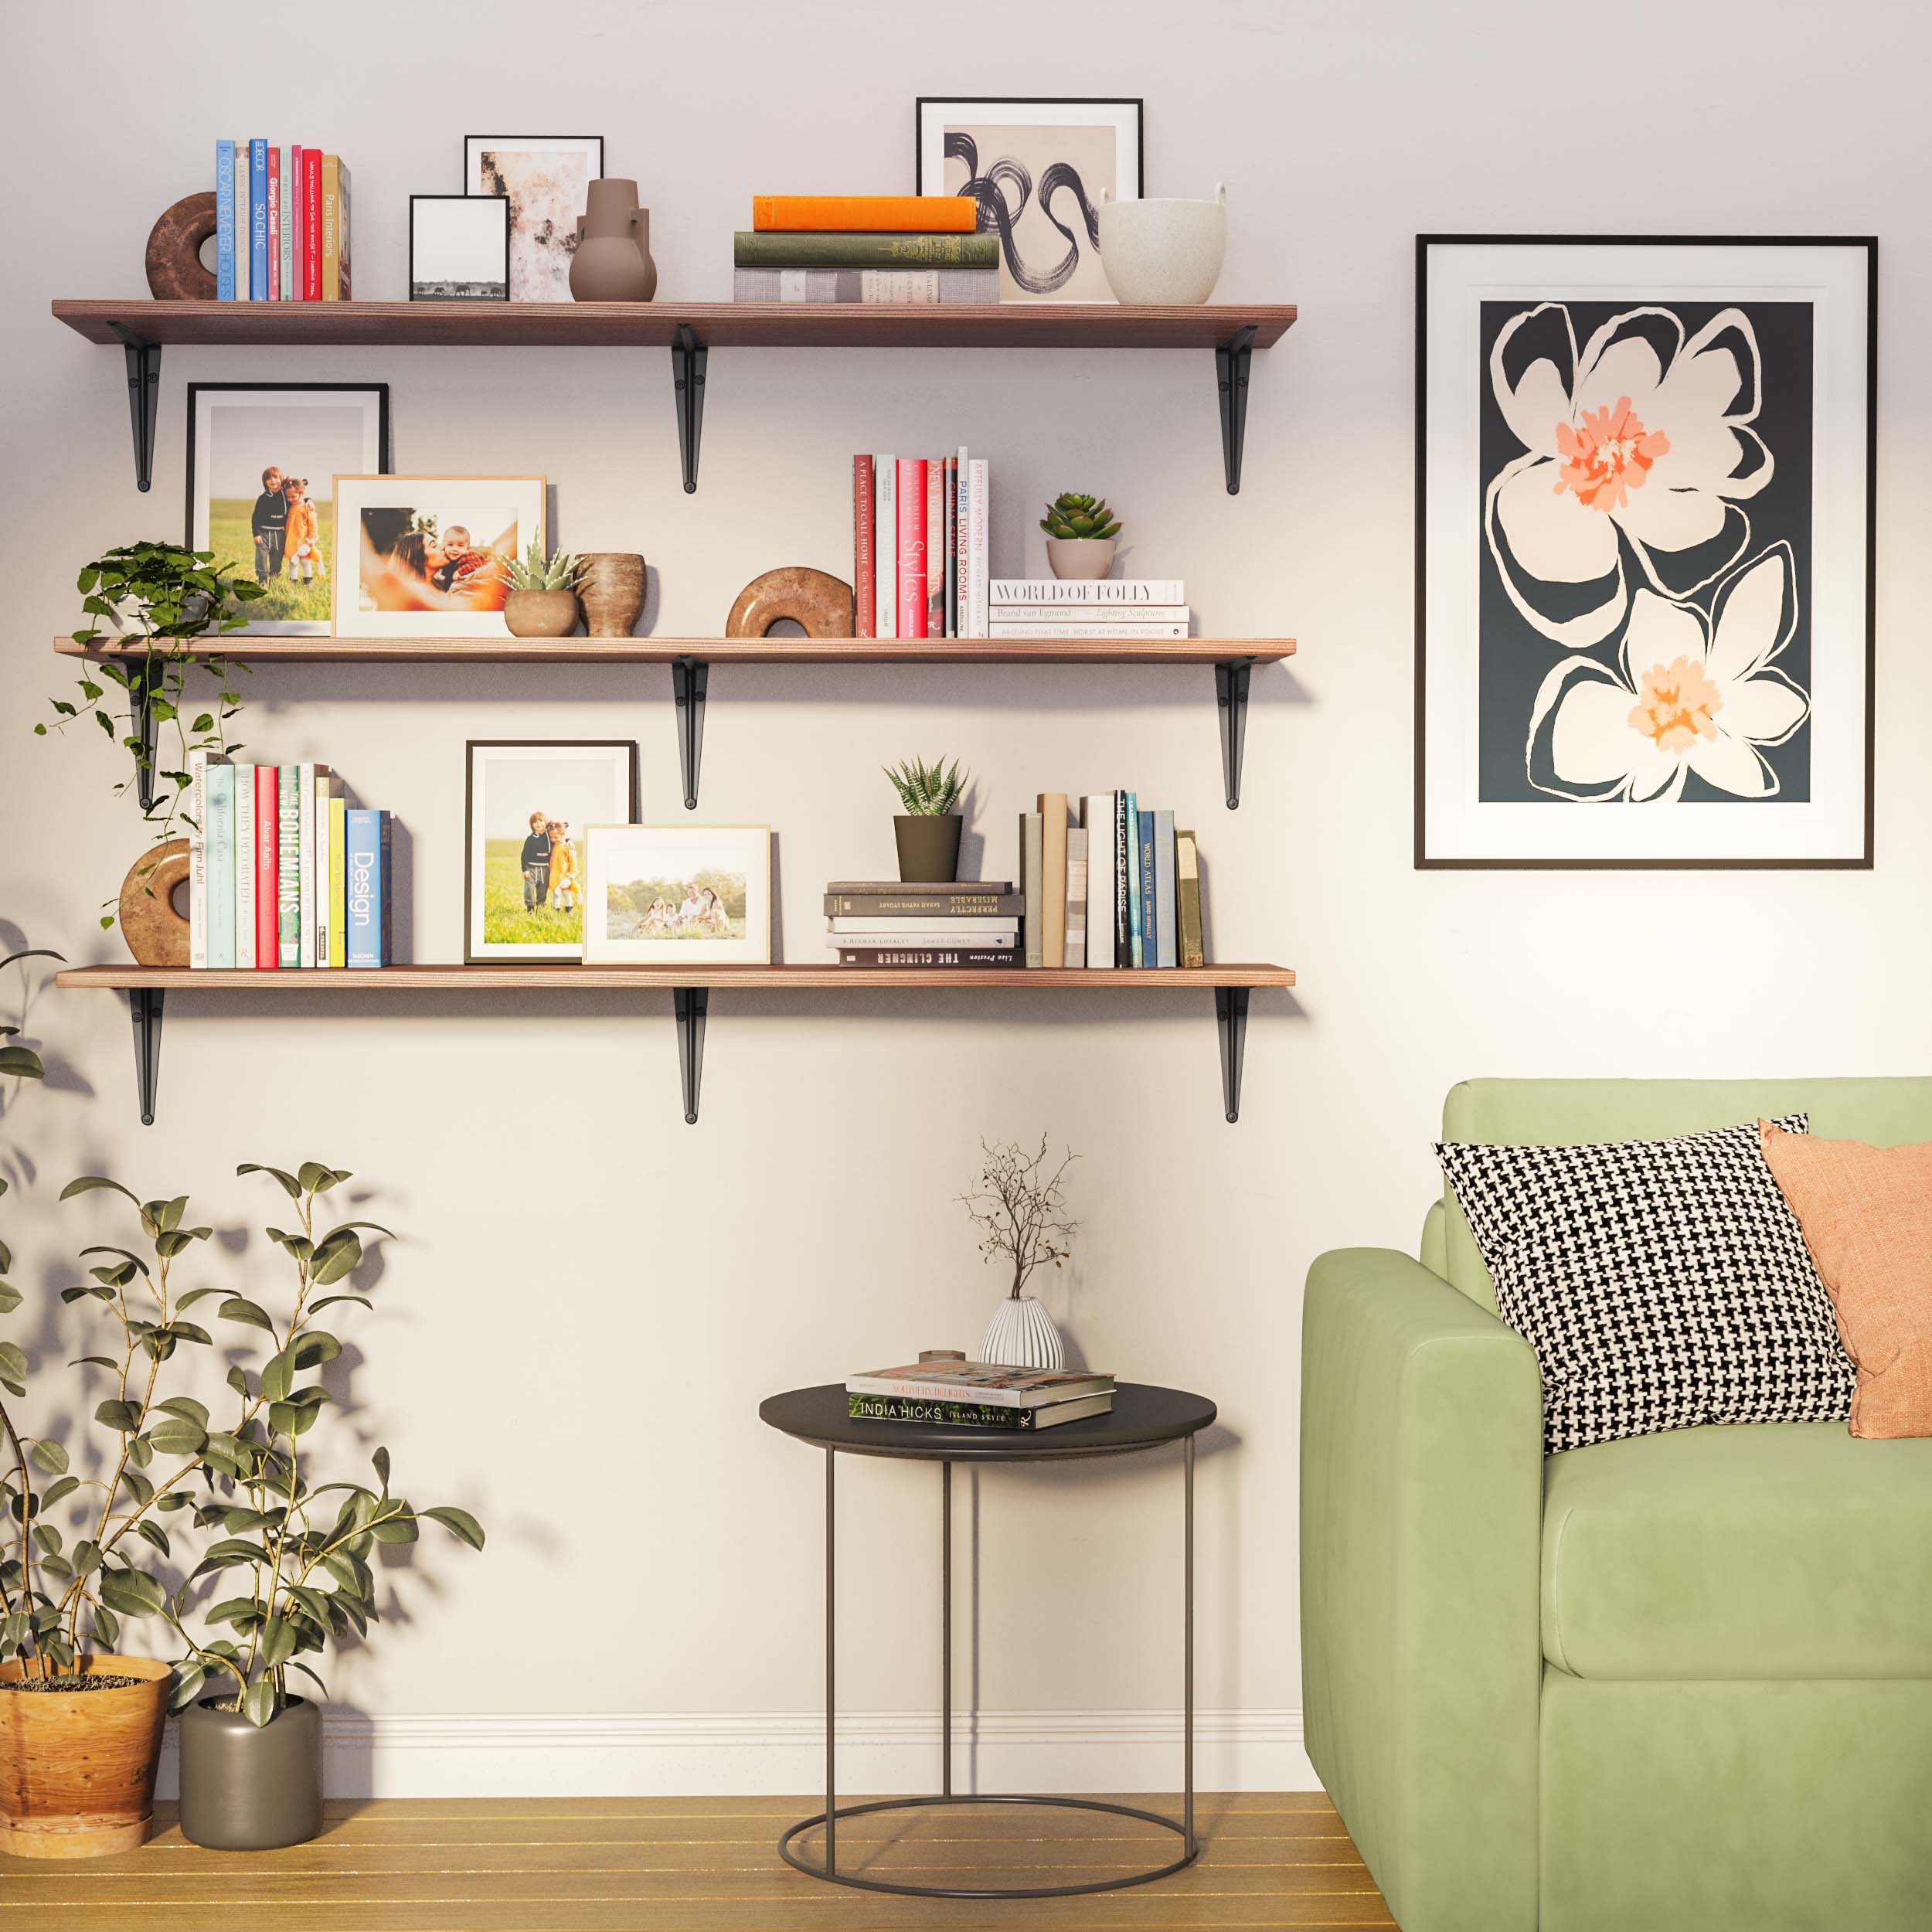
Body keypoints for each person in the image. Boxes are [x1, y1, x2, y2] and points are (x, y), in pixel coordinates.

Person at [282, 478, 325, 583]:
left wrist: (311, 540)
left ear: (302, 493)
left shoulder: (307, 508)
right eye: (288, 497)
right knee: (293, 563)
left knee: (305, 562)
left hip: (303, 542)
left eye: (293, 497)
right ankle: (293, 582)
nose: (290, 499)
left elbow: (312, 525)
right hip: (292, 542)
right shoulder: (290, 507)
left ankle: (308, 582)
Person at [251, 466, 288, 582]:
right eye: (269, 478)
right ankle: (262, 579)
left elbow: (298, 497)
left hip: (280, 533)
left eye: (276, 477)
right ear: (265, 482)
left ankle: (274, 579)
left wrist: (309, 500)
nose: (273, 480)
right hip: (264, 533)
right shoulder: (263, 498)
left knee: (277, 558)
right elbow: (256, 517)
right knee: (261, 556)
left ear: (281, 479)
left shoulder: (286, 495)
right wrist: (256, 534)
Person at [546, 819, 580, 916]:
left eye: (556, 837)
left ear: (562, 834)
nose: (553, 840)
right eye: (551, 838)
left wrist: (571, 875)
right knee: (556, 894)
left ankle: (569, 910)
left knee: (566, 893)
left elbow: (573, 862)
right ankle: (556, 910)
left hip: (565, 876)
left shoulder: (568, 846)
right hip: (555, 875)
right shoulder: (553, 845)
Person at [520, 811, 552, 913]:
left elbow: (560, 835)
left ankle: (540, 907)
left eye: (541, 821)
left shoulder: (550, 836)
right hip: (531, 868)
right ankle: (530, 908)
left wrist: (569, 841)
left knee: (542, 890)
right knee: (529, 888)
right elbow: (524, 854)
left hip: (545, 869)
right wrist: (525, 869)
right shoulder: (530, 839)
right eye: (535, 822)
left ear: (545, 822)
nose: (538, 824)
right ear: (532, 825)